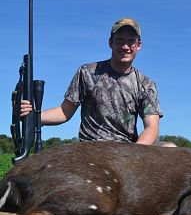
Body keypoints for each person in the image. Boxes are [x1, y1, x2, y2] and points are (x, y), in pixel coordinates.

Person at [20, 17, 163, 145]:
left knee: (170, 147)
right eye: (119, 40)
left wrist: (135, 155)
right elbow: (64, 112)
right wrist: (35, 115)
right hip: (90, 150)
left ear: (138, 45)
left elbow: (152, 127)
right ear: (110, 43)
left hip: (126, 153)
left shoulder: (146, 84)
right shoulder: (87, 72)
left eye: (131, 41)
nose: (125, 47)